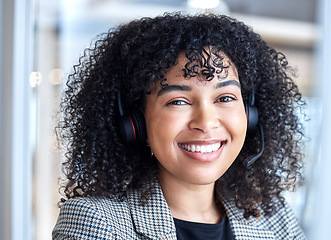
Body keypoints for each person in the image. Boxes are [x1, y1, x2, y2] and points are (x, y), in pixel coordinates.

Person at [53, 12, 306, 240]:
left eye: (225, 98)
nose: (206, 123)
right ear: (136, 122)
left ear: (249, 115)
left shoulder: (275, 219)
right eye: (178, 101)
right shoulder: (95, 222)